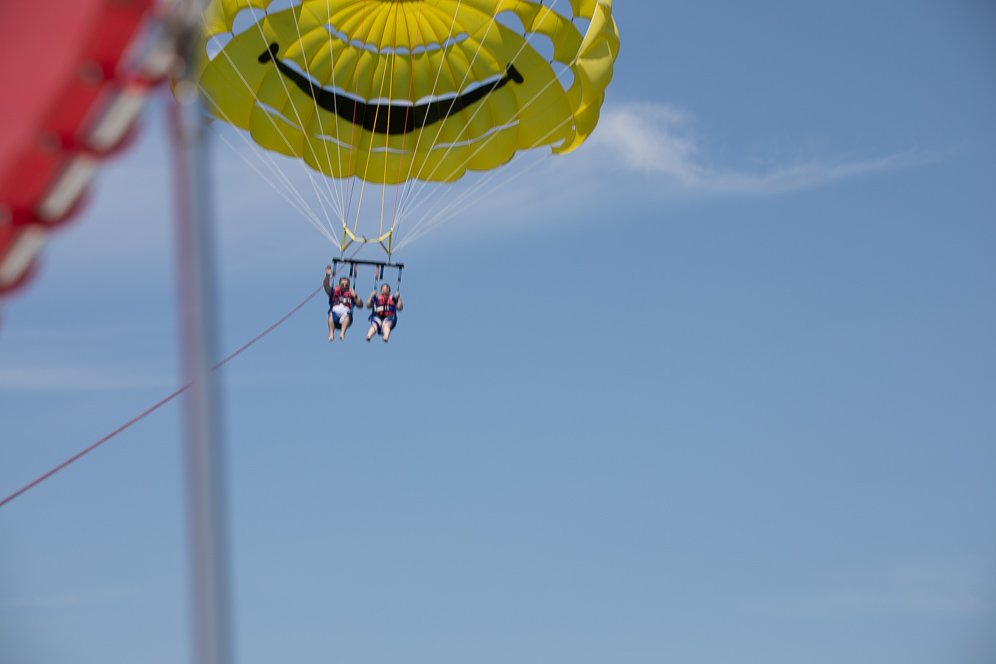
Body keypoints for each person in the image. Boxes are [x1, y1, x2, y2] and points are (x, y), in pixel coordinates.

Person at [323, 265, 362, 341]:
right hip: (334, 314)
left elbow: (360, 305)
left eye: (346, 285)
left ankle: (342, 333)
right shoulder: (333, 292)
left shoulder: (351, 294)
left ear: (349, 286)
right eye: (342, 285)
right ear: (339, 284)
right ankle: (331, 334)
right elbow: (326, 286)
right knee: (331, 315)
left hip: (346, 315)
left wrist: (355, 296)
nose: (344, 286)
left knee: (347, 317)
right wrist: (327, 276)